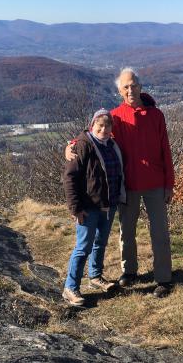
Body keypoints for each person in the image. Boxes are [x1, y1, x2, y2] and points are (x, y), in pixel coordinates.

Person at [66, 68, 174, 298]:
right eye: (125, 86)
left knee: (160, 233)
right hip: (127, 186)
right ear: (119, 91)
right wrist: (72, 145)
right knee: (127, 231)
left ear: (140, 86)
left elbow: (166, 150)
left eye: (133, 85)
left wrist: (169, 184)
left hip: (155, 182)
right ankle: (130, 271)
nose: (130, 89)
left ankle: (163, 278)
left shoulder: (156, 115)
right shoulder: (116, 116)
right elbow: (96, 133)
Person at [62, 108, 125, 306]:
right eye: (100, 125)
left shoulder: (112, 145)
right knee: (83, 247)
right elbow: (69, 178)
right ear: (92, 125)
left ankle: (96, 276)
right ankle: (70, 288)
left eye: (107, 126)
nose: (104, 129)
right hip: (88, 207)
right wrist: (75, 208)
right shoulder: (83, 146)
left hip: (108, 204)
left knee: (100, 243)